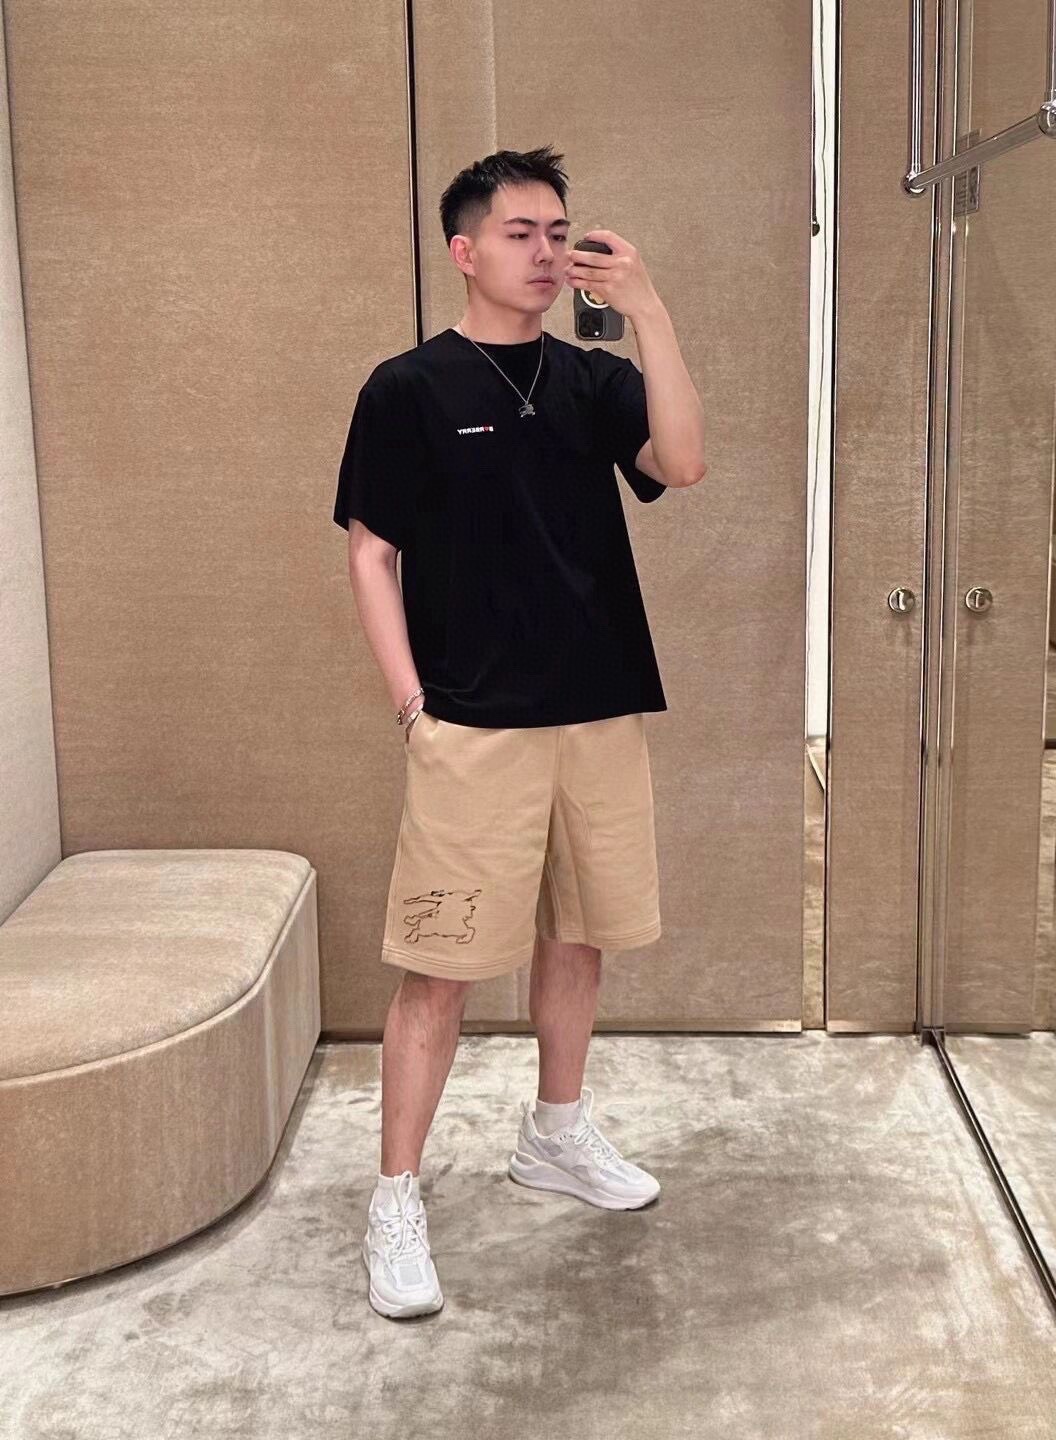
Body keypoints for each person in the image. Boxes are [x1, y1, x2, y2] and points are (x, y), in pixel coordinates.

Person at [333, 145, 706, 1319]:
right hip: (474, 722)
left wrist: (647, 310)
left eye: (558, 232)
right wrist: (412, 705)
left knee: (580, 937)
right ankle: (396, 1196)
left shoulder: (591, 380)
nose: (545, 252)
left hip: (597, 710)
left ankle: (556, 1133)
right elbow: (372, 554)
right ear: (464, 250)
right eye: (518, 233)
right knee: (439, 967)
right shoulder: (407, 388)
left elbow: (683, 461)